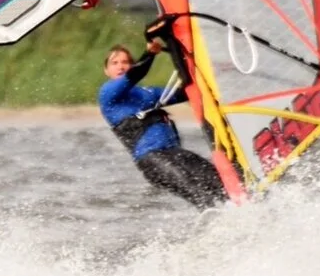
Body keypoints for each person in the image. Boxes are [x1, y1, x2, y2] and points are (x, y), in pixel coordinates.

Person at [97, 28, 226, 209]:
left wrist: (215, 74)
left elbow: (185, 93)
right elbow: (136, 73)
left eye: (125, 62)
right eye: (114, 63)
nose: (120, 66)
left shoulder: (147, 93)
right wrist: (150, 53)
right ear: (106, 70)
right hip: (152, 160)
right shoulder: (108, 94)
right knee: (204, 199)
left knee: (226, 186)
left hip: (175, 153)